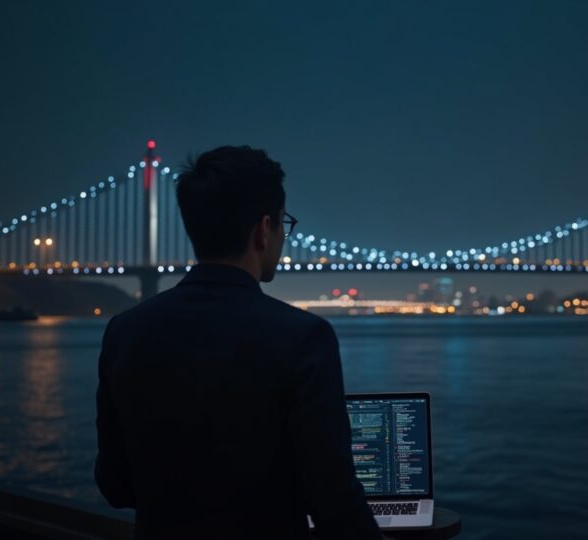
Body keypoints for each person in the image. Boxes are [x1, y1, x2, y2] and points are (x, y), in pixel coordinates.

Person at [95, 145, 380, 539]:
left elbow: (115, 485)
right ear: (264, 230)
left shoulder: (124, 332)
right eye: (284, 225)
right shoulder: (303, 338)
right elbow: (335, 504)